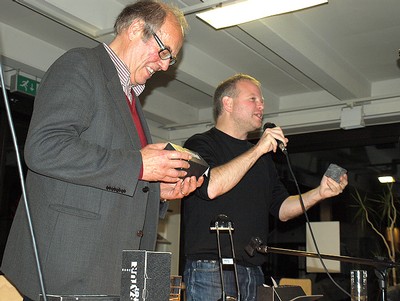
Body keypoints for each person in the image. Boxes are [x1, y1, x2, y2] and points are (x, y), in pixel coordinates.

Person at [1, 1, 204, 300]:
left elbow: (112, 180)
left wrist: (155, 191)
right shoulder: (81, 64)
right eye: (164, 52)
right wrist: (139, 166)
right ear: (136, 29)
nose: (164, 66)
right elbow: (44, 147)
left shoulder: (132, 101)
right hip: (68, 273)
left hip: (115, 275)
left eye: (170, 59)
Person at [181, 74, 348, 301]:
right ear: (227, 103)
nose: (261, 106)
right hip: (211, 270)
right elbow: (211, 186)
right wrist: (258, 149)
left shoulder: (262, 160)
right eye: (253, 99)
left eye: (262, 101)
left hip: (254, 272)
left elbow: (282, 209)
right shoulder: (200, 143)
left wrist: (319, 193)